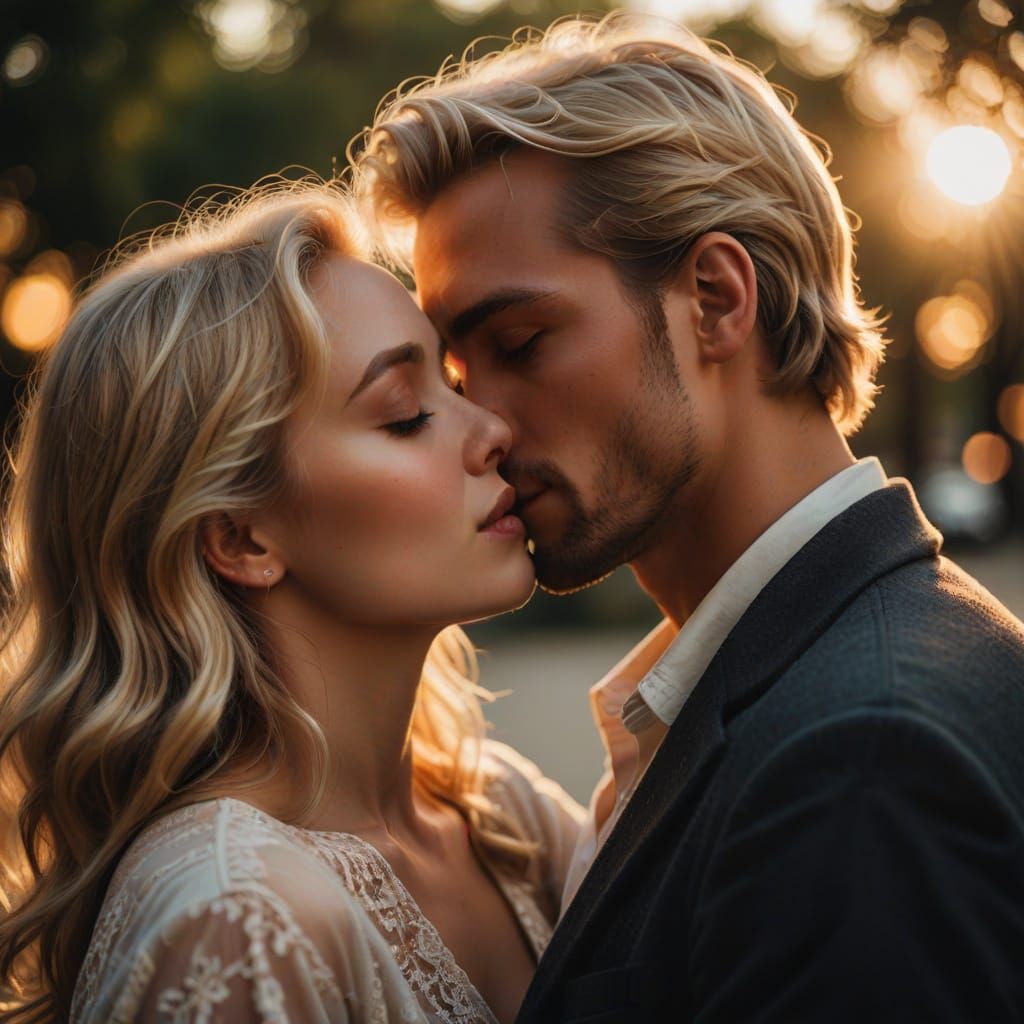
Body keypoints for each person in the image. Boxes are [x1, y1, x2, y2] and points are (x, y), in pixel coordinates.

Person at [351, 12, 1024, 1021]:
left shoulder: (859, 762)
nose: (476, 423)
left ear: (714, 297)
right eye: (447, 374)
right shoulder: (805, 677)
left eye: (521, 342)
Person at [0, 181, 584, 1023]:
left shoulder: (502, 819)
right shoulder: (234, 923)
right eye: (407, 414)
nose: (492, 430)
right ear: (241, 539)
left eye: (452, 385)